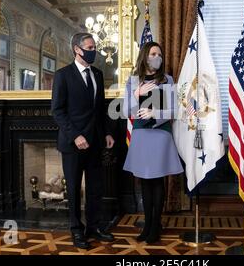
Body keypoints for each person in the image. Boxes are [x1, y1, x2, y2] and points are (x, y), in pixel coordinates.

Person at [51, 32, 115, 249]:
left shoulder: (97, 73)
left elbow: (101, 109)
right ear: (77, 49)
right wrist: (75, 135)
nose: (93, 50)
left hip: (96, 142)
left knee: (96, 188)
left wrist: (106, 132)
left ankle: (94, 227)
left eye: (94, 46)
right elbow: (58, 111)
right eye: (89, 47)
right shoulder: (63, 75)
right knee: (74, 190)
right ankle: (77, 231)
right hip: (72, 144)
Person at [123, 42, 183, 244]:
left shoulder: (167, 80)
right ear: (145, 56)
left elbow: (174, 110)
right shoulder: (134, 81)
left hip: (160, 134)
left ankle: (156, 225)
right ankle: (148, 224)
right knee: (144, 181)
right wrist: (135, 95)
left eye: (160, 53)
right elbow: (127, 111)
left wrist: (154, 112)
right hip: (141, 135)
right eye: (153, 53)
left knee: (157, 181)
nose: (157, 56)